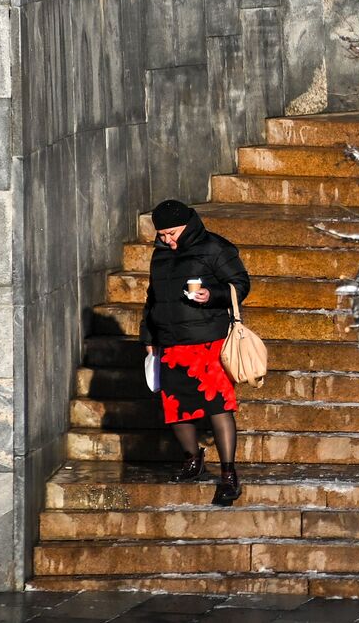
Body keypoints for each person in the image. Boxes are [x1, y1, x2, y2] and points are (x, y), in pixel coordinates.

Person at [142, 199, 251, 506]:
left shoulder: (214, 247)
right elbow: (152, 298)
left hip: (207, 342)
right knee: (176, 409)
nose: (168, 240)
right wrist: (148, 335)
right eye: (163, 235)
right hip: (171, 343)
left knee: (218, 406)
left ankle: (229, 473)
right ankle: (193, 459)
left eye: (172, 233)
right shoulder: (160, 255)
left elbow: (240, 284)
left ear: (188, 225)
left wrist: (211, 295)